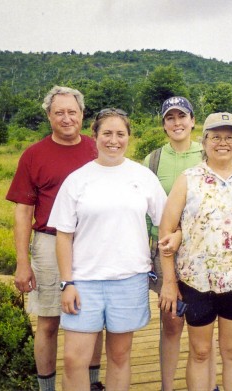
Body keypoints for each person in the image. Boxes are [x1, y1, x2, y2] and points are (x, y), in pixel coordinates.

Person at [47, 108, 167, 391]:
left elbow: (166, 223)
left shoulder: (143, 176)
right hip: (84, 281)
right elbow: (63, 235)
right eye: (107, 133)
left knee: (119, 355)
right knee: (74, 359)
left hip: (130, 280)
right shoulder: (77, 179)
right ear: (95, 136)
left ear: (128, 137)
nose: (114, 140)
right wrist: (67, 283)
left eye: (120, 134)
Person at [158, 112, 232, 391]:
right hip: (197, 282)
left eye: (230, 137)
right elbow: (166, 231)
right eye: (216, 137)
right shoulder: (188, 179)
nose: (223, 143)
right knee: (200, 353)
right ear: (204, 142)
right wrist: (169, 283)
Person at [6, 86, 105, 391]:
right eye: (59, 112)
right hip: (49, 243)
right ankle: (46, 387)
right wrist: (23, 263)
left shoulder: (96, 148)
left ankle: (92, 383)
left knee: (94, 318)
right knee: (48, 320)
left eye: (72, 112)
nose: (66, 118)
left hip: (92, 243)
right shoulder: (33, 155)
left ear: (82, 114)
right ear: (48, 115)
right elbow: (23, 213)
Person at [143, 96, 217, 391]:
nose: (177, 123)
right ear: (163, 124)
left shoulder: (208, 154)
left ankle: (209, 385)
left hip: (204, 250)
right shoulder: (153, 160)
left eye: (182, 116)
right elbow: (144, 209)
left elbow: (216, 205)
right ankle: (167, 387)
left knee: (204, 325)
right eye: (170, 118)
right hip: (164, 251)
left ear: (193, 121)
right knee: (172, 322)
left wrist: (183, 233)